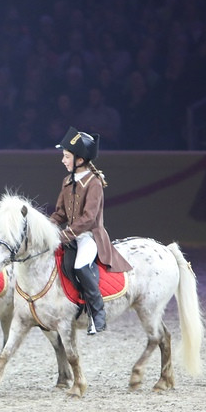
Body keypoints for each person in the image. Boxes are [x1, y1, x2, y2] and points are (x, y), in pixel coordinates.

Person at [49, 127, 132, 334]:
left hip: (90, 236)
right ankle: (75, 305)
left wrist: (65, 234)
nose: (63, 160)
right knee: (65, 264)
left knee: (80, 266)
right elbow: (60, 213)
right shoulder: (67, 181)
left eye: (66, 156)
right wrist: (46, 228)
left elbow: (88, 218)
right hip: (71, 236)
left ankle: (98, 313)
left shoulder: (93, 183)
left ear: (79, 160)